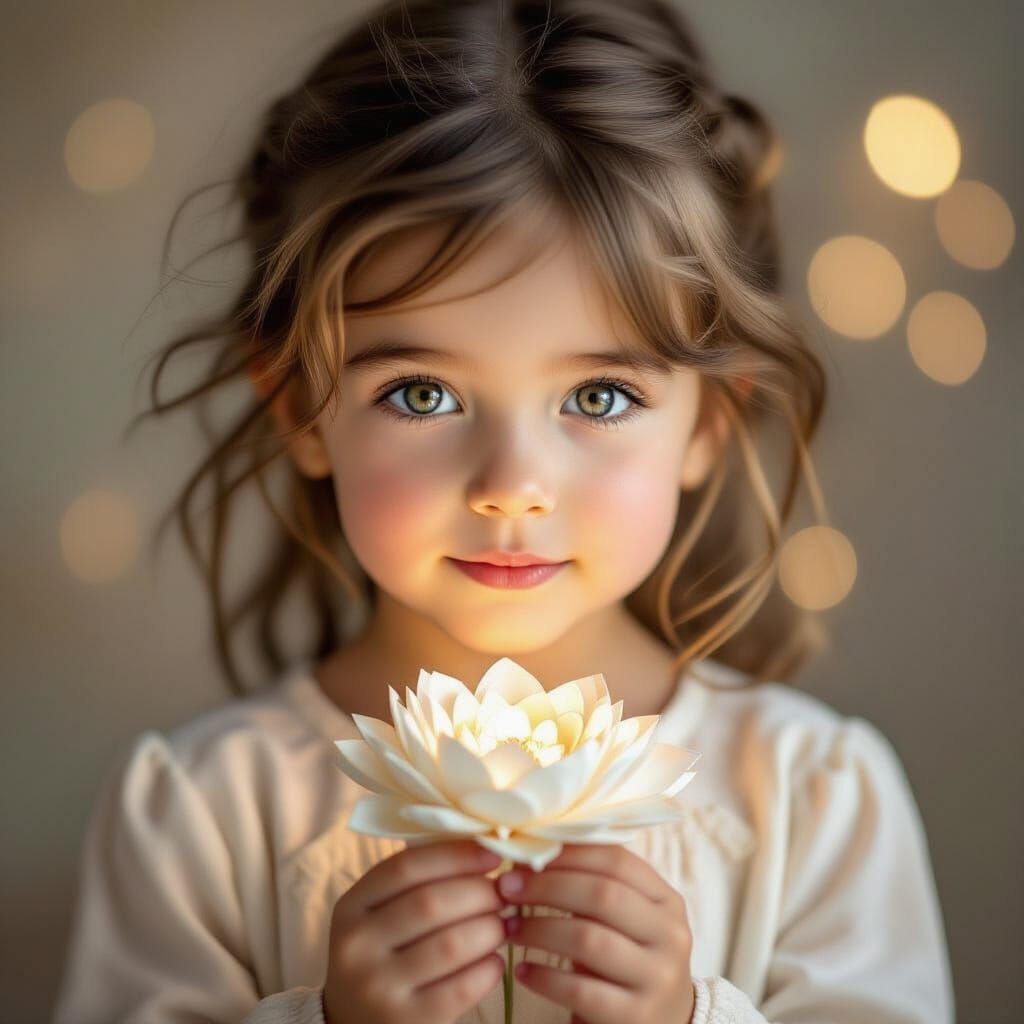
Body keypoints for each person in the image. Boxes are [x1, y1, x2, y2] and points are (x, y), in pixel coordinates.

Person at [51, 1, 956, 1021]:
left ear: (709, 419)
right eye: (422, 394)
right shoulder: (200, 816)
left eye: (598, 397)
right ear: (301, 406)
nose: (511, 483)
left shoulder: (812, 797)